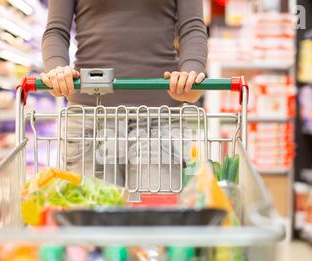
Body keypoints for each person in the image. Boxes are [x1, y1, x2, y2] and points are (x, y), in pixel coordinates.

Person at [40, 0, 208, 193]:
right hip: (90, 120)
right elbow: (56, 30)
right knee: (93, 217)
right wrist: (57, 68)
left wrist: (191, 72)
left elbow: (193, 28)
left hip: (160, 119)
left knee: (156, 217)